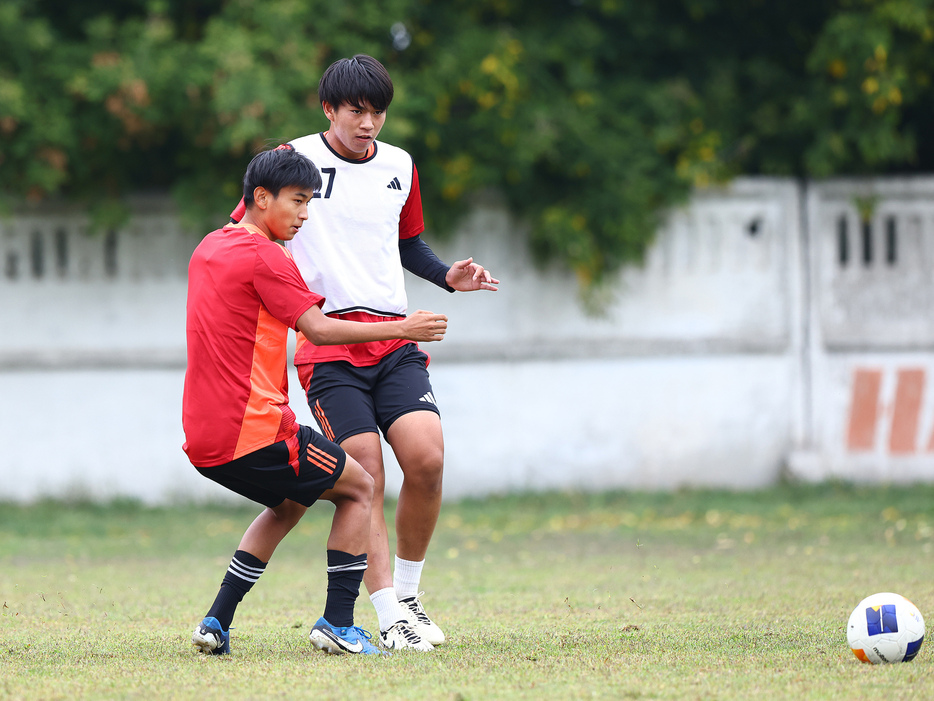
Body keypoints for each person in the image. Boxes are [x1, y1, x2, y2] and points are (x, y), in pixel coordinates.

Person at [229, 54, 499, 651]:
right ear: (329, 110)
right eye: (356, 110)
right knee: (365, 473)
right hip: (327, 345)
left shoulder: (400, 165)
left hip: (395, 337)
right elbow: (249, 231)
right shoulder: (292, 162)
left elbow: (406, 245)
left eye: (378, 111)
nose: (368, 122)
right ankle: (385, 617)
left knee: (426, 460)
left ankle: (408, 597)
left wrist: (448, 276)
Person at [183, 145, 448, 656]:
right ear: (261, 198)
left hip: (203, 437)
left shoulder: (210, 246)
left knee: (288, 505)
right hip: (256, 428)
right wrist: (406, 327)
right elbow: (319, 330)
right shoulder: (267, 257)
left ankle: (216, 620)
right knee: (361, 486)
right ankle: (338, 621)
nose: (306, 215)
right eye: (299, 201)